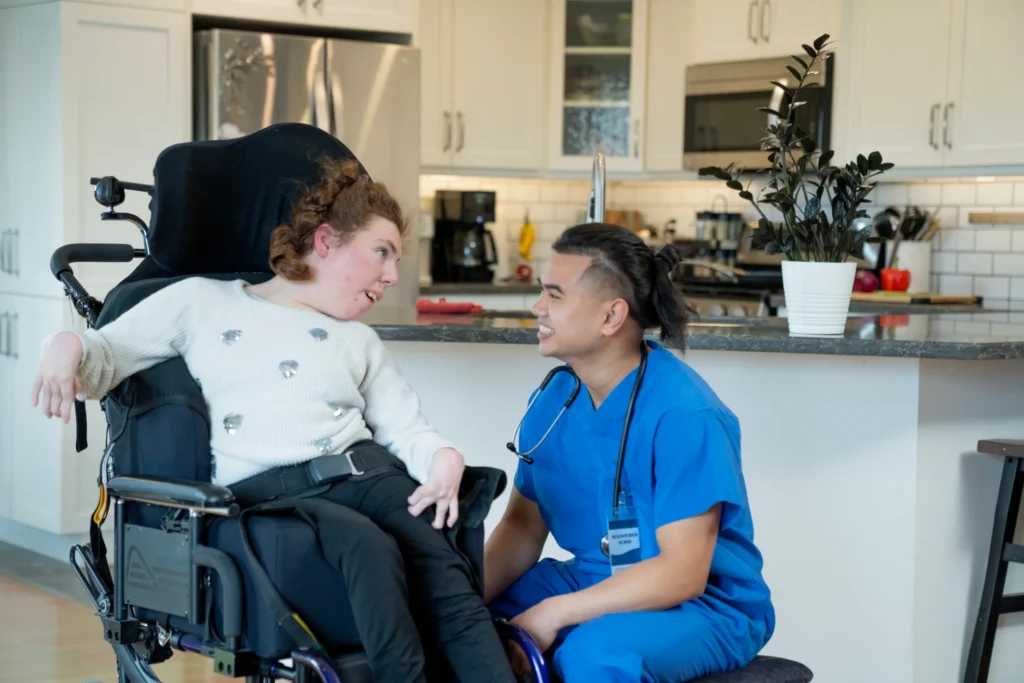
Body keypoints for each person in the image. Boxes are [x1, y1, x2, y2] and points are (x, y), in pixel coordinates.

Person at [31, 157, 517, 683]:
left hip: (369, 474)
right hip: (277, 491)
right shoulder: (202, 303)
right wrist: (64, 344)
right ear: (327, 242)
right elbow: (107, 355)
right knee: (367, 548)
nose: (393, 276)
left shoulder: (360, 341)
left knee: (446, 570)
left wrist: (443, 458)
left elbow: (407, 429)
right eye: (382, 253)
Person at [483, 223, 776, 682]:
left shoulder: (684, 414)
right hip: (594, 577)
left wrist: (553, 613)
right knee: (460, 626)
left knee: (592, 656)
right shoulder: (554, 400)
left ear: (611, 317)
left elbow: (682, 574)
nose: (537, 308)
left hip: (703, 604)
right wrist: (453, 601)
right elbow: (521, 528)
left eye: (554, 296)